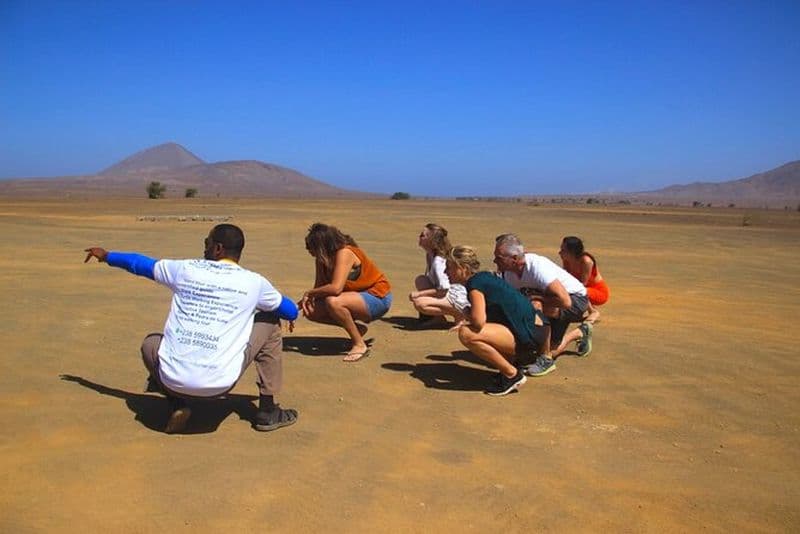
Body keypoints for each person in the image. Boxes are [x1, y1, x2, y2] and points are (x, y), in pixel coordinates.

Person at [83, 223, 299, 434]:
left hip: (172, 379)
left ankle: (177, 402)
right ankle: (268, 410)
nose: (204, 248)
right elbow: (290, 311)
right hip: (221, 383)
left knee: (151, 343)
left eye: (207, 243)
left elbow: (139, 264)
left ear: (218, 248)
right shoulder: (254, 282)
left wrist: (107, 255)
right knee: (271, 320)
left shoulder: (186, 269)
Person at [446, 245, 547, 396]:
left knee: (467, 333)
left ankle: (512, 375)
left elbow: (479, 322)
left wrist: (465, 311)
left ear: (463, 268)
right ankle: (512, 366)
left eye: (449, 267)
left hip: (530, 339)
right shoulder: (485, 277)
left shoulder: (475, 284)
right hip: (537, 331)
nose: (445, 272)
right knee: (479, 329)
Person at [493, 233, 591, 377]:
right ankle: (580, 332)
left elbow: (565, 301)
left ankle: (546, 359)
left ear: (514, 259)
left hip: (575, 300)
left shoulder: (536, 267)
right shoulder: (508, 274)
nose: (494, 261)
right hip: (552, 303)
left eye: (499, 258)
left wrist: (538, 299)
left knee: (535, 305)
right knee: (551, 349)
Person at [298, 223, 392, 362]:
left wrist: (309, 293)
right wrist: (297, 307)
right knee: (311, 310)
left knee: (333, 302)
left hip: (377, 297)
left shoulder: (344, 253)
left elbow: (336, 289)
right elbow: (319, 289)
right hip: (354, 299)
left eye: (310, 247)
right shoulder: (321, 260)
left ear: (321, 246)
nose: (308, 250)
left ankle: (359, 345)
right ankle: (357, 330)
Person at [408, 223, 470, 327]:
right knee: (421, 280)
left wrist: (420, 294)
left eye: (423, 235)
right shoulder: (430, 255)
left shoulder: (438, 261)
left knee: (420, 303)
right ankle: (438, 318)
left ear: (432, 241)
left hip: (457, 296)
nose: (419, 237)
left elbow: (445, 289)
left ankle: (460, 316)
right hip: (446, 293)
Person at [559, 236, 609, 323]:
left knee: (577, 290)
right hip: (584, 290)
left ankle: (592, 311)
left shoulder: (586, 261)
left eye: (563, 250)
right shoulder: (567, 260)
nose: (559, 252)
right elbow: (565, 278)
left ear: (572, 252)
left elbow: (583, 284)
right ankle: (575, 314)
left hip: (598, 292)